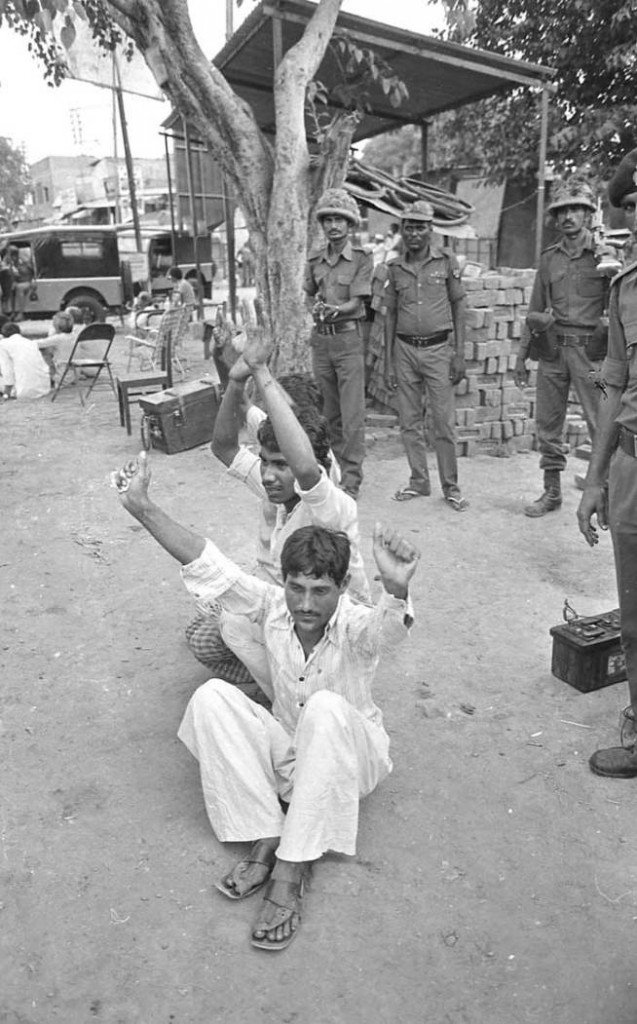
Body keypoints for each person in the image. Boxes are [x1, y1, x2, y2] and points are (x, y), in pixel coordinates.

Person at [111, 449, 420, 950]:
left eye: (320, 590)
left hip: (350, 760)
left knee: (323, 708)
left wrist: (398, 590)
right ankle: (269, 831)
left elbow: (388, 633)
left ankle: (290, 870)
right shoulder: (273, 606)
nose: (304, 604)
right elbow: (206, 561)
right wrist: (142, 507)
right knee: (212, 696)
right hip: (290, 754)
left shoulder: (356, 623)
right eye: (296, 587)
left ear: (342, 587)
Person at [187, 323, 371, 691]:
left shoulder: (323, 495)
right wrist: (237, 378)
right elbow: (225, 446)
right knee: (202, 623)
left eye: (280, 463)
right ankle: (281, 678)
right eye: (266, 462)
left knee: (219, 632)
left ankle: (286, 692)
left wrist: (260, 369)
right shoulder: (276, 470)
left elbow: (302, 464)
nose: (268, 475)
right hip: (282, 593)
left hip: (326, 614)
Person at [577, 148, 637, 779]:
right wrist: (594, 478)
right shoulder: (625, 289)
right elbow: (614, 386)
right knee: (635, 615)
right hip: (631, 469)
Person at [515, 180, 608, 517]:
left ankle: (606, 494)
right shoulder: (549, 259)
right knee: (548, 423)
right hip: (553, 352)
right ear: (555, 218)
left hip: (593, 359)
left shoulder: (603, 255)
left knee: (603, 421)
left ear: (587, 213)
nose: (568, 216)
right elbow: (534, 311)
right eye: (562, 211)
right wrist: (522, 357)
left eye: (575, 209)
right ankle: (552, 492)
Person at [384, 200, 469, 511]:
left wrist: (459, 354)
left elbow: (460, 306)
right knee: (409, 421)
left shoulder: (446, 262)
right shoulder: (394, 267)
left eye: (420, 227)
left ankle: (451, 487)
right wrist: (390, 362)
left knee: (443, 423)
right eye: (409, 226)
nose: (414, 233)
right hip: (404, 349)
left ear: (430, 230)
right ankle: (419, 481)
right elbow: (390, 315)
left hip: (437, 350)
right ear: (402, 230)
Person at [304, 187, 373, 500]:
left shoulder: (361, 259)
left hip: (348, 341)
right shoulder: (315, 260)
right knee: (328, 414)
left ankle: (353, 479)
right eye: (328, 219)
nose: (333, 225)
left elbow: (358, 304)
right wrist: (315, 309)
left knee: (352, 414)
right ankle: (333, 471)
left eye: (340, 220)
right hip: (322, 344)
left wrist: (336, 310)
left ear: (350, 225)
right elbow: (308, 294)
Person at [0, 322, 50, 399]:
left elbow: (7, 371)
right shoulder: (30, 342)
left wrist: (6, 394)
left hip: (24, 391)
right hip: (45, 388)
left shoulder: (3, 344)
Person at [6, 244, 35, 321]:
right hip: (19, 282)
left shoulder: (24, 262)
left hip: (27, 282)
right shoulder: (11, 264)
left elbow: (32, 272)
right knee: (11, 288)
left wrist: (33, 280)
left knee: (20, 288)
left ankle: (21, 314)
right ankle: (13, 312)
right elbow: (13, 276)